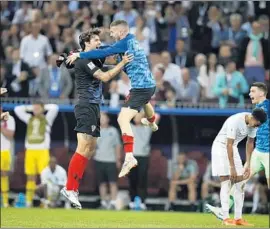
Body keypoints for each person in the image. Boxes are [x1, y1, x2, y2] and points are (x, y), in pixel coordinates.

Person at [66, 20, 158, 178]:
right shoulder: (130, 42)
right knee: (145, 101)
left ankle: (129, 157)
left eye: (112, 32)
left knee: (122, 119)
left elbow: (104, 53)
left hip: (140, 88)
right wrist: (84, 52)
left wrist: (80, 54)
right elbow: (108, 53)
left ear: (121, 32)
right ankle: (151, 121)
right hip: (149, 86)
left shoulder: (124, 43)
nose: (110, 34)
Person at [59, 28, 133, 209]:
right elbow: (105, 76)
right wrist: (122, 62)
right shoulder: (84, 59)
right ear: (87, 43)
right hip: (85, 105)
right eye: (96, 40)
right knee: (83, 147)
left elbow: (107, 56)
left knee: (90, 149)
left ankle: (72, 188)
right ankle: (70, 188)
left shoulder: (89, 57)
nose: (99, 43)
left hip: (94, 107)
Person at [206, 82, 269, 221]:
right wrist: (233, 168)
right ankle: (225, 217)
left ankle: (238, 218)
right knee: (226, 181)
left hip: (232, 147)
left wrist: (247, 163)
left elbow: (250, 143)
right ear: (253, 117)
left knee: (240, 183)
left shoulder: (254, 124)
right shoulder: (235, 121)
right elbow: (228, 144)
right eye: (257, 124)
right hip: (220, 146)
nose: (257, 127)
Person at [14, 102, 59, 207]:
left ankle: (45, 201)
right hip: (30, 150)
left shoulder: (47, 119)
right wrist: (31, 107)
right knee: (30, 177)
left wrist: (42, 107)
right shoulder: (29, 118)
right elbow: (17, 109)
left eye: (38, 108)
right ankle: (29, 201)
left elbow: (55, 107)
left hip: (42, 151)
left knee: (45, 177)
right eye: (34, 108)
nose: (35, 110)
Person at [94, 112, 122, 210]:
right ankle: (103, 203)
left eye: (103, 118)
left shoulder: (113, 131)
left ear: (108, 119)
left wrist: (118, 159)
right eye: (100, 118)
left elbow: (117, 146)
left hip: (111, 161)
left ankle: (113, 203)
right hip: (99, 160)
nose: (102, 119)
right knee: (102, 183)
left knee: (113, 182)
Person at [1, 106, 15, 207]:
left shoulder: (8, 118)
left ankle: (5, 202)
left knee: (3, 174)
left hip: (4, 150)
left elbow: (10, 134)